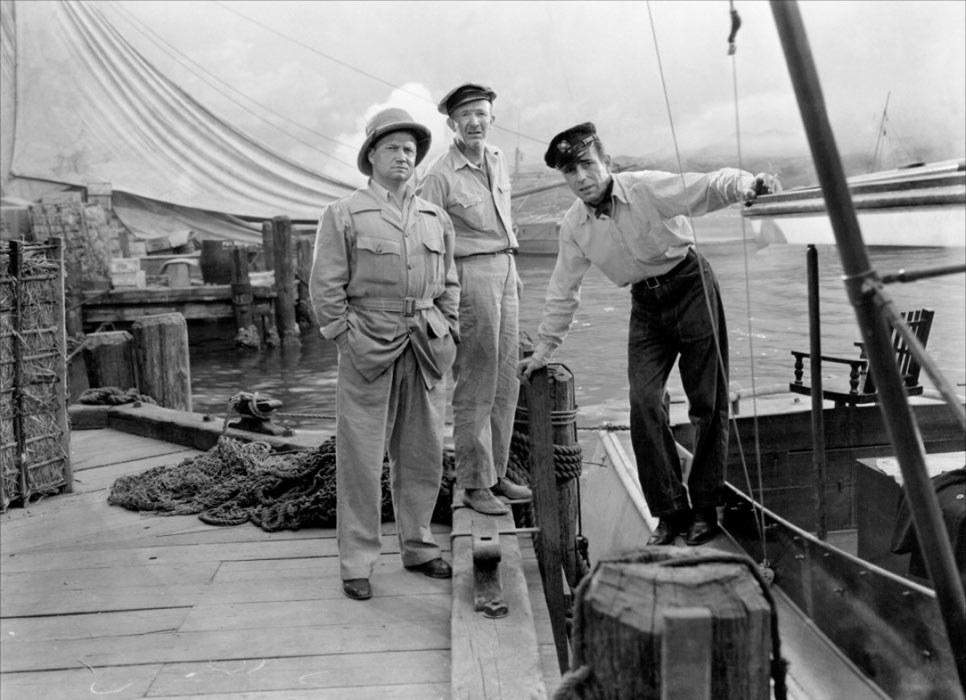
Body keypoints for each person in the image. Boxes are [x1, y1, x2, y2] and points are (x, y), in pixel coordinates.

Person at [517, 122, 780, 546]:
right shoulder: (574, 227)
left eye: (587, 165)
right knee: (643, 403)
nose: (581, 178)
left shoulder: (645, 189)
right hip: (646, 303)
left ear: (607, 162)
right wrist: (545, 348)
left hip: (691, 285)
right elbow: (563, 289)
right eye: (571, 172)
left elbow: (709, 187)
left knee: (707, 402)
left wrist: (751, 185)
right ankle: (671, 513)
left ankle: (706, 508)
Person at [310, 108, 460, 600]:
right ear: (371, 154)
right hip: (367, 345)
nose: (404, 156)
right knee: (360, 458)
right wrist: (345, 337)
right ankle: (357, 562)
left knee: (422, 452)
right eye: (393, 147)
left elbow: (449, 285)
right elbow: (325, 288)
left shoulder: (435, 217)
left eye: (411, 149)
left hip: (426, 344)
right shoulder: (344, 214)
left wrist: (450, 331)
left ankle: (418, 547)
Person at [419, 82, 532, 516]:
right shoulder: (439, 175)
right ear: (452, 123)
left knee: (506, 380)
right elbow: (429, 242)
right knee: (477, 382)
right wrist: (442, 301)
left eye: (481, 113)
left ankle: (497, 473)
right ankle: (473, 482)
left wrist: (515, 270)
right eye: (465, 115)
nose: (474, 122)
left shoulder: (498, 159)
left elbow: (505, 222)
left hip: (505, 271)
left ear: (492, 118)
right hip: (470, 277)